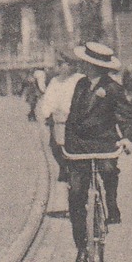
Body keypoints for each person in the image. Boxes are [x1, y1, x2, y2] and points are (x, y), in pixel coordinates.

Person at [61, 42, 132, 262]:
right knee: (76, 196)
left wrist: (127, 139)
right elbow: (73, 116)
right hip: (78, 147)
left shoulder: (113, 89)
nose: (83, 66)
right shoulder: (80, 85)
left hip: (104, 144)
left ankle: (111, 206)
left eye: (86, 63)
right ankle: (82, 248)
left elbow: (127, 118)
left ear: (95, 66)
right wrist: (65, 145)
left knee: (108, 170)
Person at [38, 54, 81, 184]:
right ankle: (63, 166)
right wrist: (48, 113)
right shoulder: (55, 81)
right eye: (59, 64)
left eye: (64, 64)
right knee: (55, 145)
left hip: (77, 119)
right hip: (59, 120)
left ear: (72, 65)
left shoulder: (79, 80)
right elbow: (48, 100)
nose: (61, 67)